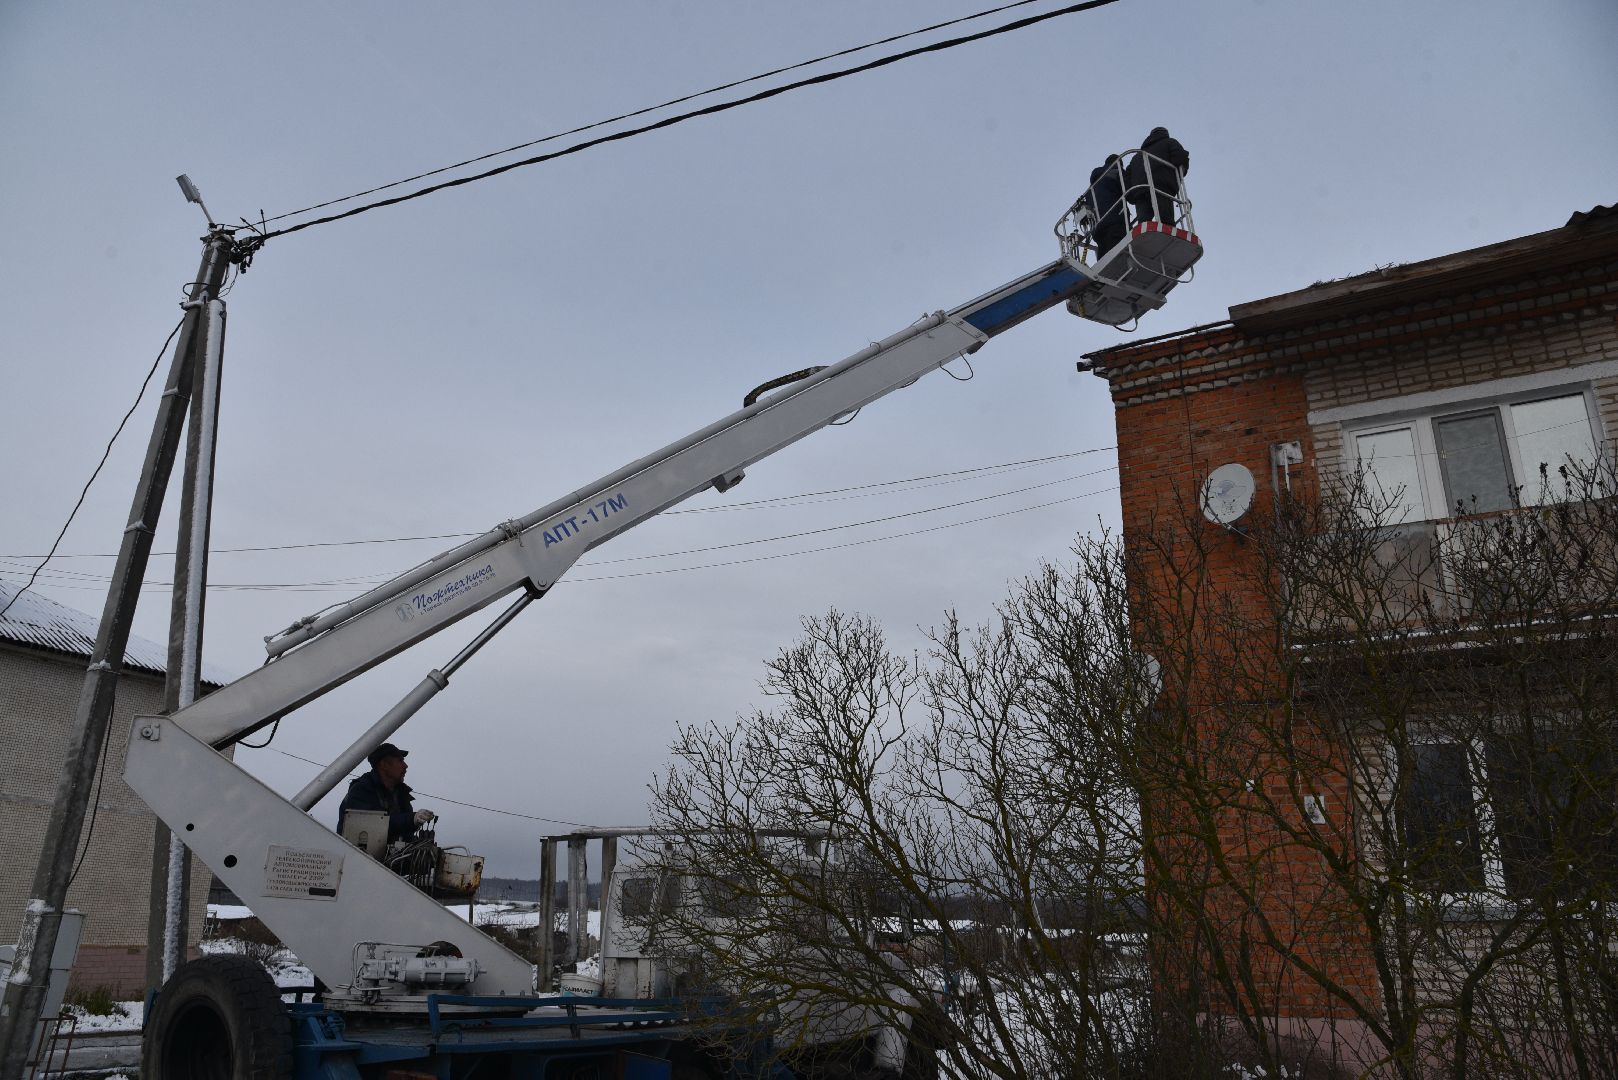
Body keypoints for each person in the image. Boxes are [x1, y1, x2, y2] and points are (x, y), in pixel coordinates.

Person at [338, 742, 435, 844]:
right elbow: (374, 824)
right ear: (384, 765)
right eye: (400, 761)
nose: (406, 766)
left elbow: (404, 833)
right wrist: (412, 819)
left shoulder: (400, 794)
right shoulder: (361, 790)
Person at [1124, 126, 1190, 226]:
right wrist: (1180, 174)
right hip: (1161, 186)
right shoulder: (1170, 142)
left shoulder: (1137, 156)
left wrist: (1132, 196)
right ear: (1165, 134)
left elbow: (1127, 176)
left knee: (1144, 223)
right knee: (1166, 222)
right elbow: (1180, 157)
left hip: (1140, 191)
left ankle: (1145, 231)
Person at [1086, 154, 1126, 256]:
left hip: (1097, 230)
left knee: (1105, 257)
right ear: (1119, 163)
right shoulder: (1117, 172)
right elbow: (1130, 192)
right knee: (1119, 258)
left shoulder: (1090, 189)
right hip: (1115, 222)